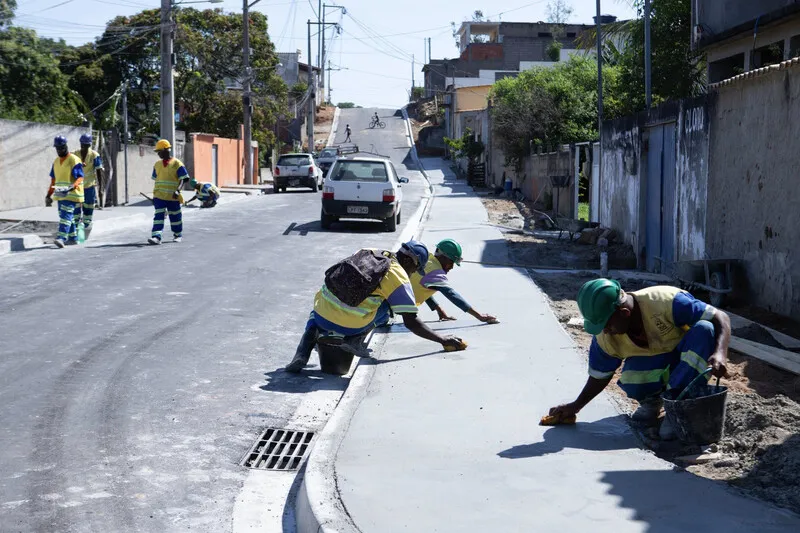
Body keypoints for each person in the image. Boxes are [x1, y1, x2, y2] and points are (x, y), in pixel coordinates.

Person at [548, 279, 731, 439]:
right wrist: (576, 406)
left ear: (624, 312)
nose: (605, 330)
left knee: (705, 329)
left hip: (684, 358)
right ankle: (652, 403)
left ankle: (678, 408)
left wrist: (720, 353)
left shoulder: (666, 301)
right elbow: (599, 376)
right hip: (658, 362)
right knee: (631, 379)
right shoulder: (605, 338)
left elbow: (720, 317)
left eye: (607, 325)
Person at [285, 240, 465, 373]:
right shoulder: (398, 276)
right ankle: (355, 340)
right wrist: (442, 339)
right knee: (389, 305)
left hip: (322, 315)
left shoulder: (368, 251)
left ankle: (301, 354)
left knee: (316, 309)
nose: (412, 274)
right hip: (351, 326)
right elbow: (411, 321)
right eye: (414, 269)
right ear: (411, 262)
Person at [411, 238, 498, 324]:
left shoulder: (427, 261)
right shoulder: (436, 272)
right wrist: (479, 316)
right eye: (451, 262)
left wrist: (439, 310)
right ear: (443, 257)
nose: (451, 267)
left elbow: (420, 286)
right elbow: (451, 294)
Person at [46, 136, 85, 248]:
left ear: (65, 146)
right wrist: (48, 194)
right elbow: (53, 180)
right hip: (60, 193)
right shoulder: (56, 162)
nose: (59, 150)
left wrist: (73, 185)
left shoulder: (74, 159)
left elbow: (80, 177)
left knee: (65, 216)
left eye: (61, 148)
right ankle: (73, 238)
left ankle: (61, 238)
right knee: (66, 216)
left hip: (72, 193)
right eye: (57, 148)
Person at [148, 139, 190, 245]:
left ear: (167, 150)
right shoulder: (157, 164)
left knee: (175, 217)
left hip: (173, 196)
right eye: (157, 152)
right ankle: (156, 237)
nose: (158, 154)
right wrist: (154, 197)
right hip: (159, 196)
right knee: (158, 216)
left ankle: (177, 234)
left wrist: (178, 190)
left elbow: (184, 179)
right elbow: (156, 179)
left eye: (160, 151)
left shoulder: (177, 163)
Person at [74, 133, 103, 238]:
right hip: (77, 187)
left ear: (89, 145)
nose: (84, 147)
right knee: (76, 210)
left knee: (88, 209)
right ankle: (76, 233)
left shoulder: (95, 155)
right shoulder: (75, 154)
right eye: (82, 144)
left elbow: (99, 171)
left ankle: (85, 231)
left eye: (86, 145)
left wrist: (101, 188)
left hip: (89, 187)